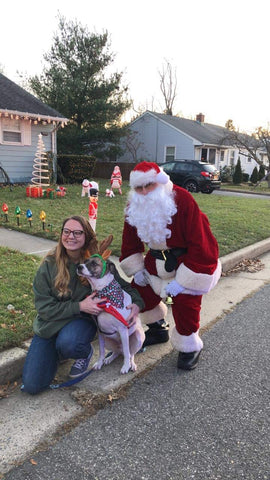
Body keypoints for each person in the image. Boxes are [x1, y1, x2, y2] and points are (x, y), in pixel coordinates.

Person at [22, 215, 144, 395]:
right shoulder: (48, 266)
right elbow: (44, 308)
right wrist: (79, 306)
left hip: (79, 323)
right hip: (50, 325)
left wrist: (136, 305)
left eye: (77, 233)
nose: (71, 236)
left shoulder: (97, 263)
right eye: (67, 231)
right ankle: (56, 351)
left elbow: (124, 286)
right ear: (61, 234)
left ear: (86, 236)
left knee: (70, 342)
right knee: (33, 385)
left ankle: (81, 352)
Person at [119, 161, 221, 370]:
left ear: (160, 182)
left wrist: (183, 281)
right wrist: (137, 270)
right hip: (154, 262)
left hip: (185, 262)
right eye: (139, 188)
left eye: (150, 185)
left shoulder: (182, 199)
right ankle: (157, 328)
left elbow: (201, 242)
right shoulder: (134, 206)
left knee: (185, 302)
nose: (145, 191)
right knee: (137, 295)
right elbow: (130, 241)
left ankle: (189, 345)